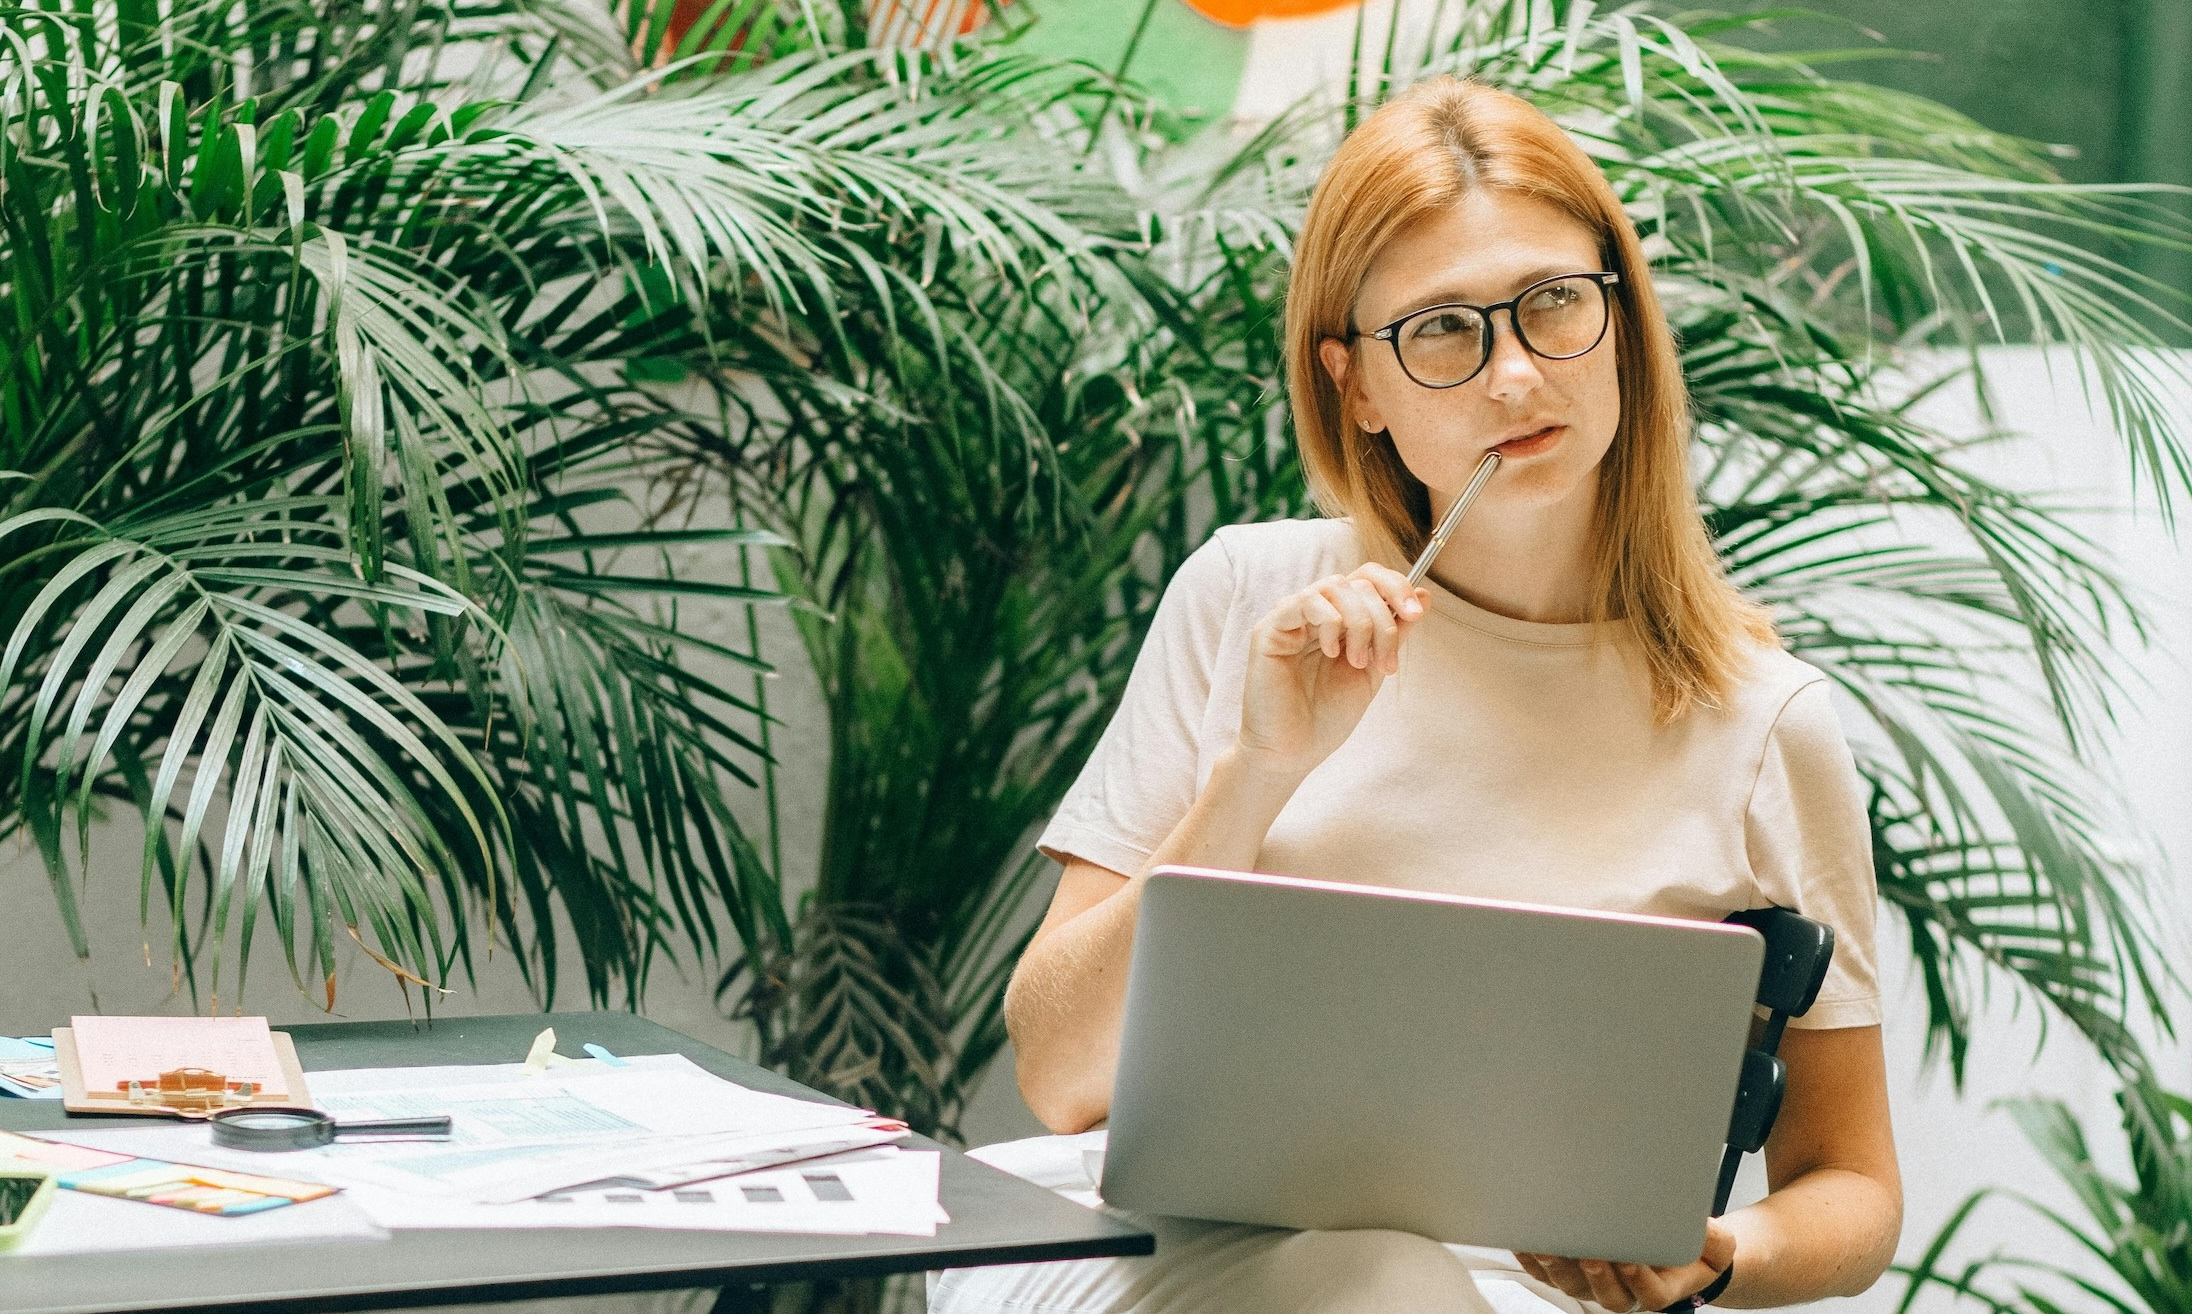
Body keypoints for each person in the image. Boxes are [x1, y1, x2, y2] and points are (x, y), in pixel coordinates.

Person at [931, 76, 1902, 1314]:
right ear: (1357, 388)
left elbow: (1848, 1185)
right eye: (1441, 331)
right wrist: (1259, 769)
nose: (1511, 376)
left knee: (1394, 1284)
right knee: (1381, 1278)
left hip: (1521, 1297)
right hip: (1158, 1262)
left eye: (1553, 303)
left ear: (1620, 321)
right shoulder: (1249, 597)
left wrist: (1718, 1254)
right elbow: (1057, 1075)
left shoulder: (1760, 723)